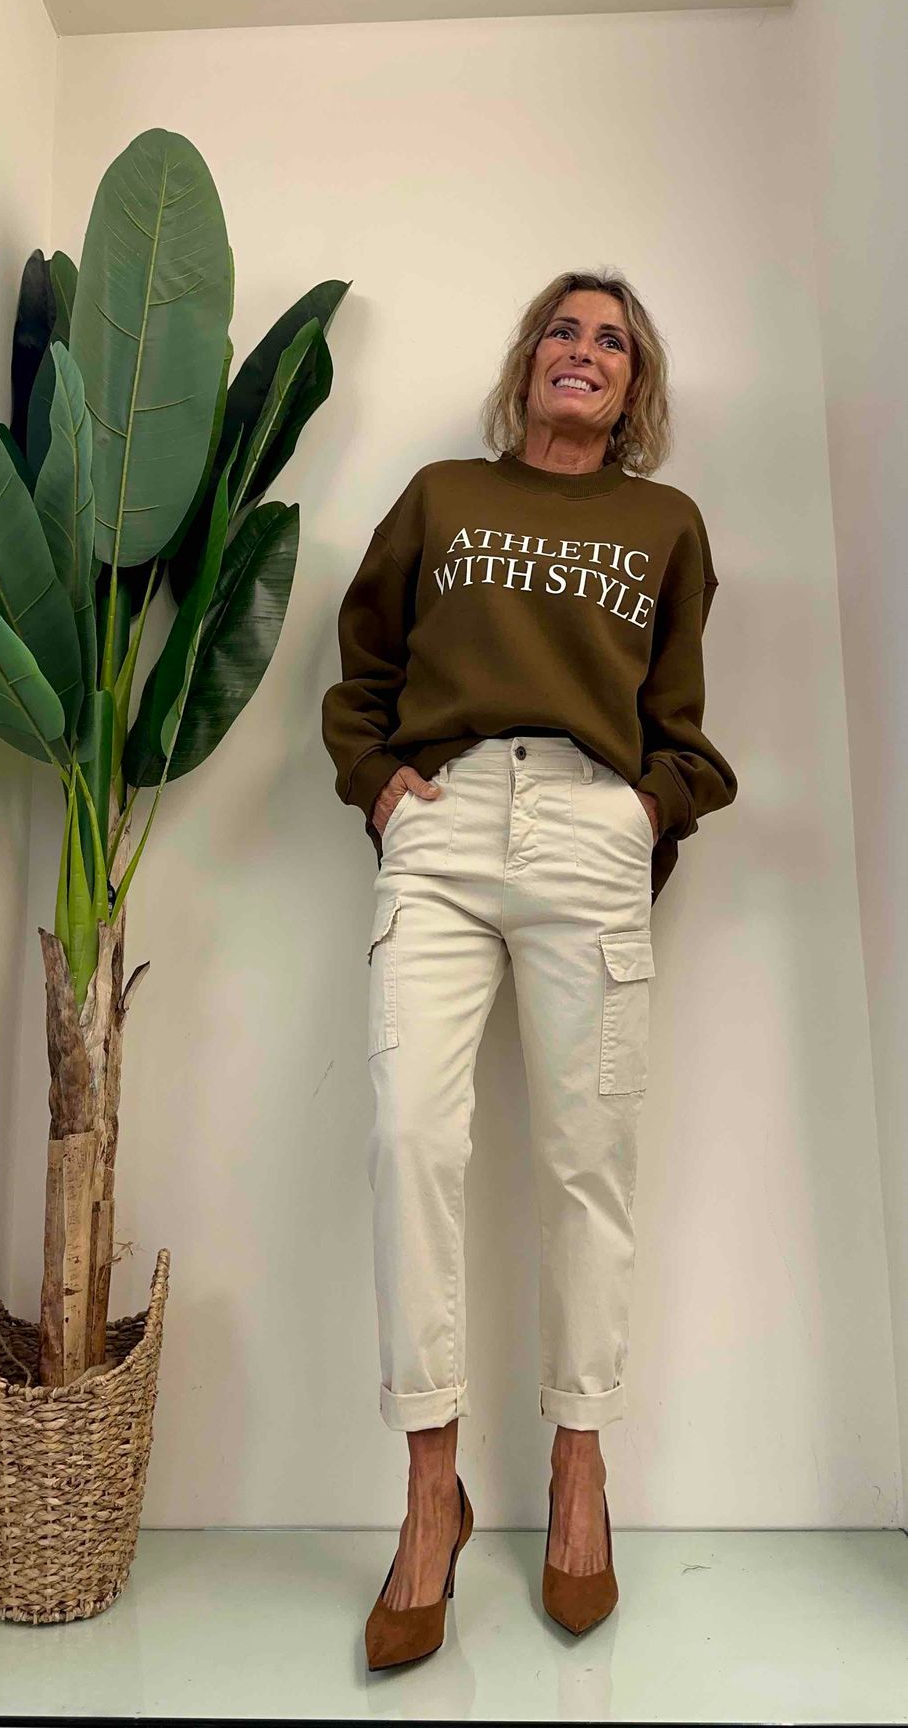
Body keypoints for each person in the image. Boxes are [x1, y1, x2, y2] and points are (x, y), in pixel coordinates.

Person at [321, 268, 738, 1668]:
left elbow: (680, 719)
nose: (584, 351)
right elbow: (362, 667)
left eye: (612, 341)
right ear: (527, 363)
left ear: (634, 388)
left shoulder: (663, 525)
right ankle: (429, 1492)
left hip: (588, 824)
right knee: (409, 1139)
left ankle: (577, 1473)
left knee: (585, 1159)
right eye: (563, 330)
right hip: (441, 825)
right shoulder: (443, 497)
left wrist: (643, 811)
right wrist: (378, 785)